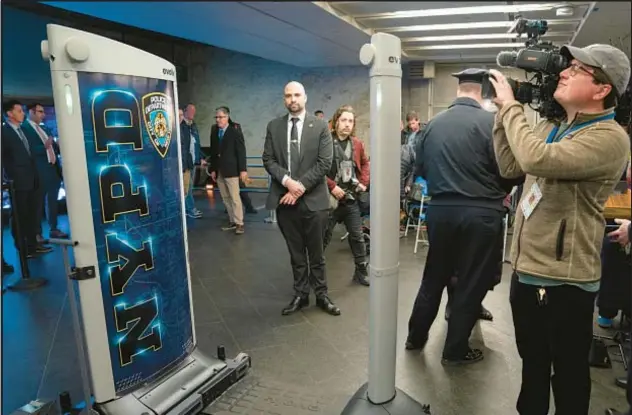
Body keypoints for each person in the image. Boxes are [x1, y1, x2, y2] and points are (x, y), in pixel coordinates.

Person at [489, 43, 631, 415]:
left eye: (578, 69)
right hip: (527, 270)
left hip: (564, 281)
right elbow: (510, 166)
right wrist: (502, 116)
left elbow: (536, 157)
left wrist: (511, 108)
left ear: (602, 89)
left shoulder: (609, 137)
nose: (565, 72)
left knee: (567, 374)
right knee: (532, 366)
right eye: (566, 66)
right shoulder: (556, 126)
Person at [405, 69, 524, 365]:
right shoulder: (492, 123)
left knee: (433, 276)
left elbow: (420, 169)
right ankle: (454, 350)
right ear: (482, 92)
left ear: (458, 90)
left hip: (441, 210)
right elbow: (509, 172)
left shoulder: (431, 126)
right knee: (471, 282)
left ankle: (415, 338)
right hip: (482, 213)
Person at [262, 81, 339, 316]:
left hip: (314, 201)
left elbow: (324, 162)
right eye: (288, 96)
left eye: (297, 95)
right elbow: (268, 159)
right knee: (296, 253)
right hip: (285, 202)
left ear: (305, 98)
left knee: (316, 253)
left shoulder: (321, 127)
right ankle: (301, 294)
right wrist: (287, 182)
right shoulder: (274, 126)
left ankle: (322, 294)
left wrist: (299, 187)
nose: (292, 99)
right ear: (284, 99)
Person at [323, 105, 370, 286]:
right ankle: (315, 273)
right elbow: (317, 169)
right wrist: (332, 186)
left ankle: (361, 271)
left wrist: (364, 182)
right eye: (344, 120)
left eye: (350, 121)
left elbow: (365, 163)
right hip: (330, 198)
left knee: (357, 236)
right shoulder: (325, 142)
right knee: (323, 238)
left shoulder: (357, 144)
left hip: (350, 198)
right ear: (336, 122)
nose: (347, 124)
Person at [1, 100, 52, 258]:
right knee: (19, 215)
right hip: (17, 181)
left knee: (31, 214)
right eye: (19, 111)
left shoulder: (21, 130)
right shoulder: (4, 132)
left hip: (31, 178)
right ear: (10, 113)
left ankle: (33, 245)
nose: (22, 113)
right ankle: (23, 249)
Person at [23, 103, 68, 239]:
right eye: (40, 112)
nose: (43, 114)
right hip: (38, 172)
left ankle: (53, 229)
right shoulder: (24, 129)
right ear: (31, 112)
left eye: (43, 112)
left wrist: (58, 146)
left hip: (52, 171)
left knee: (52, 202)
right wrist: (44, 147)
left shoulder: (45, 129)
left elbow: (52, 148)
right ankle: (37, 234)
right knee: (37, 205)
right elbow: (27, 150)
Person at [208, 106, 248, 234]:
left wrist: (243, 170)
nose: (218, 120)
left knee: (234, 197)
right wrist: (213, 169)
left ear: (227, 117)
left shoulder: (235, 131)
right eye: (216, 117)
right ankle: (232, 221)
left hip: (232, 170)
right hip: (219, 170)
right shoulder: (214, 131)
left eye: (220, 117)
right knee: (225, 198)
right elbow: (213, 152)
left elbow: (241, 151)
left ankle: (239, 223)